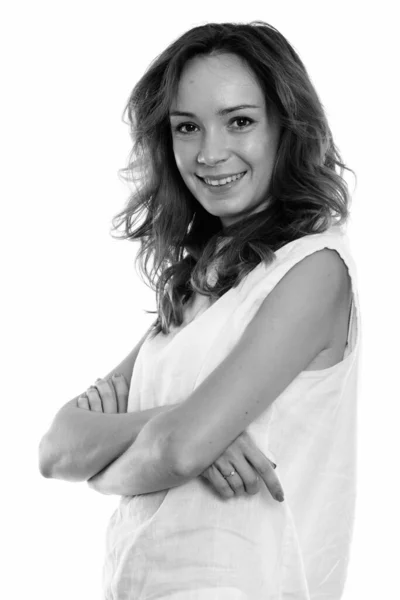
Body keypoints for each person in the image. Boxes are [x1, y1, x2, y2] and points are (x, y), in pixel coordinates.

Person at [38, 20, 361, 600]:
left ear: (287, 128)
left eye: (240, 121)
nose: (210, 153)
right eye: (187, 127)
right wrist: (170, 425)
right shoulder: (196, 287)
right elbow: (58, 447)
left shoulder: (314, 268)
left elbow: (180, 449)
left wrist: (131, 456)